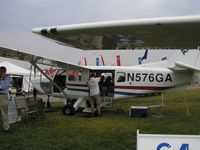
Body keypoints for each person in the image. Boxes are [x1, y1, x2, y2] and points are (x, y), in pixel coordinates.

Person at [0, 66, 11, 131]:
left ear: (4, 72)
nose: (0, 73)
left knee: (3, 112)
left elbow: (3, 87)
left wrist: (1, 78)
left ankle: (6, 128)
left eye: (2, 71)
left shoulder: (7, 79)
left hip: (3, 96)